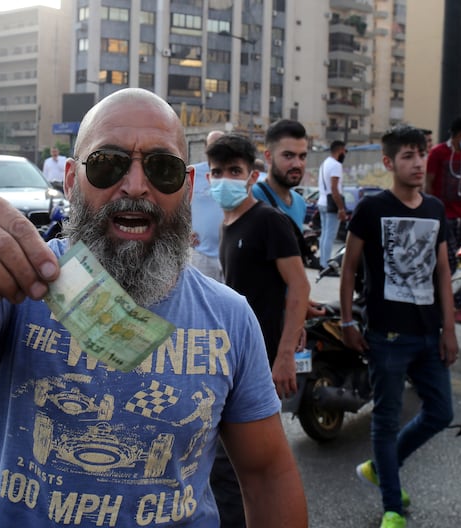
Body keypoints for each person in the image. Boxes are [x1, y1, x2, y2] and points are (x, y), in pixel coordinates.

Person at [0, 88, 307, 527]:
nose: (135, 186)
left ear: (187, 186)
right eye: (108, 164)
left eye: (162, 169)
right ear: (72, 179)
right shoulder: (20, 285)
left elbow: (267, 474)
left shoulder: (228, 316)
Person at [341, 126, 457, 528]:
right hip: (386, 335)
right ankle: (391, 505)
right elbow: (349, 267)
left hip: (428, 333)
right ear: (389, 163)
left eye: (421, 154)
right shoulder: (372, 208)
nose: (419, 162)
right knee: (386, 419)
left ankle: (381, 467)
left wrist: (449, 328)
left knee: (441, 412)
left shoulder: (435, 209)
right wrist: (346, 320)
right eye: (408, 155)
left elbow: (442, 270)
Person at [206, 133, 311, 527]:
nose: (224, 179)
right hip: (229, 360)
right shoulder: (226, 223)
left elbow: (299, 285)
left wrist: (284, 356)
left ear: (252, 176)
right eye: (217, 171)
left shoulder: (268, 221)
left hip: (261, 361)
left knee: (234, 468)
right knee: (225, 466)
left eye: (234, 171)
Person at [425, 116, 461, 324]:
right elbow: (429, 183)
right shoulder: (438, 153)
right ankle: (450, 304)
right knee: (449, 260)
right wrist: (429, 210)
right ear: (459, 134)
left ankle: (454, 302)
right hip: (442, 214)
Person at [253, 119, 309, 231]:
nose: (297, 164)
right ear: (268, 156)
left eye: (302, 156)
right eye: (288, 155)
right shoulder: (251, 198)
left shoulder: (300, 202)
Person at [190, 130, 225, 281]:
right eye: (213, 146)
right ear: (206, 148)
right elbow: (176, 205)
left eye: (222, 145)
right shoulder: (193, 172)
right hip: (201, 253)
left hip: (229, 251)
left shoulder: (235, 174)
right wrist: (185, 230)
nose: (218, 150)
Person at [317, 140, 348, 269]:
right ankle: (326, 265)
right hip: (332, 204)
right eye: (345, 151)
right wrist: (341, 208)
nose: (345, 154)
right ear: (340, 150)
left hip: (322, 201)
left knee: (324, 234)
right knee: (330, 236)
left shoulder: (325, 163)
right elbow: (334, 188)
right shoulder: (336, 165)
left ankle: (322, 262)